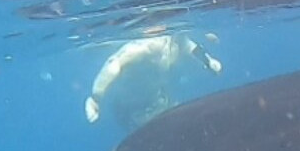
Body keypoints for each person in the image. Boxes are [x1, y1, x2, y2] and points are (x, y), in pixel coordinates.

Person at [84, 32, 222, 129]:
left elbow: (191, 47)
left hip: (159, 100)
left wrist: (208, 61)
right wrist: (95, 98)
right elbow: (114, 64)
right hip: (133, 108)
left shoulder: (177, 40)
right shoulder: (147, 47)